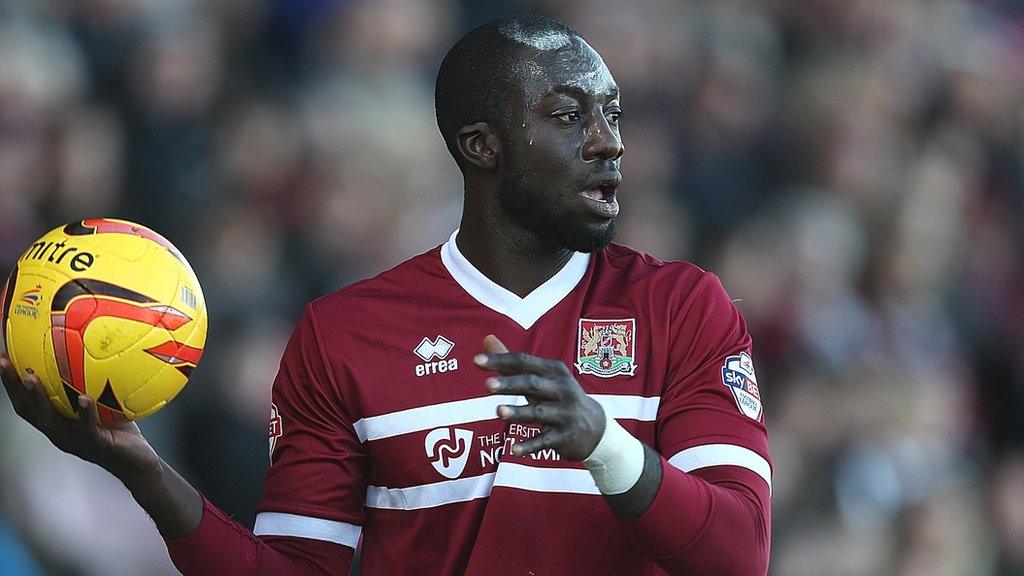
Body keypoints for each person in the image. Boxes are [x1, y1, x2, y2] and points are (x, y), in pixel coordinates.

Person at [0, 15, 770, 575]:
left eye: (614, 114)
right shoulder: (346, 335)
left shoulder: (684, 310)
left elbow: (741, 551)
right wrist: (142, 472)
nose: (610, 141)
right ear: (480, 145)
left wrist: (602, 443)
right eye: (571, 116)